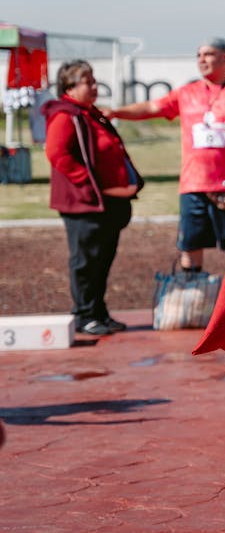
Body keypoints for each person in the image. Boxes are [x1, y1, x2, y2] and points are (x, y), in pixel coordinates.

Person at [107, 38, 225, 272]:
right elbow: (152, 107)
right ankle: (194, 298)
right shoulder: (187, 92)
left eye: (208, 54)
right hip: (194, 186)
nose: (201, 60)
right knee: (190, 247)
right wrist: (116, 112)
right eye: (198, 55)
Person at [42, 60, 144, 336]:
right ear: (70, 87)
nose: (95, 86)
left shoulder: (88, 113)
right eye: (88, 81)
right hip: (84, 204)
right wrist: (89, 185)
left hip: (107, 204)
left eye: (94, 80)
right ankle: (84, 315)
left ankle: (98, 312)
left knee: (102, 260)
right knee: (86, 262)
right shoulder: (65, 115)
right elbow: (56, 153)